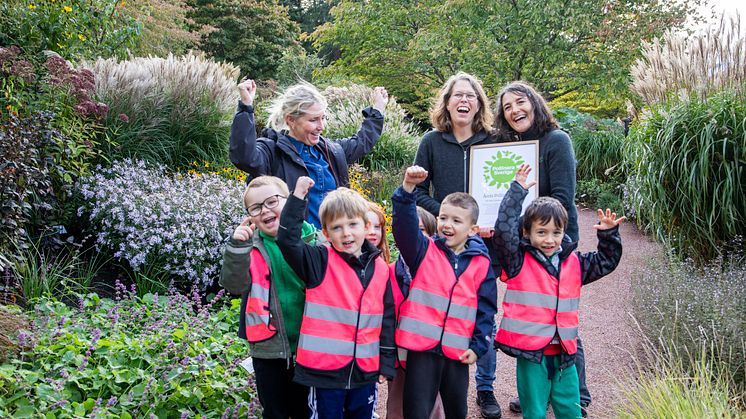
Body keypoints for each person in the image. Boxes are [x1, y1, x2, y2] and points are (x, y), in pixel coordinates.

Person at [492, 164, 624, 419]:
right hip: (532, 354)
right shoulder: (517, 260)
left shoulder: (575, 263)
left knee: (569, 407)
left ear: (564, 232)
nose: (549, 240)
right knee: (534, 409)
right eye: (541, 232)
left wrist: (608, 235)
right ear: (527, 233)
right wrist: (517, 192)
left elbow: (605, 262)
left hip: (565, 351)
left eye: (556, 232)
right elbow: (503, 233)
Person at [493, 81, 588, 415]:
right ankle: (538, 390)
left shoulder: (556, 141)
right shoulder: (515, 146)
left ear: (534, 103)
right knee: (536, 316)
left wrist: (539, 232)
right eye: (507, 107)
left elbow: (563, 196)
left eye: (520, 102)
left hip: (555, 239)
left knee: (563, 316)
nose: (515, 110)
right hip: (527, 241)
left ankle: (580, 393)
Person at [412, 71, 503, 419]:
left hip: (484, 245)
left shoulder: (493, 141)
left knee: (482, 313)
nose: (464, 101)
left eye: (471, 96)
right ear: (446, 103)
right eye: (457, 95)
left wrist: (486, 225)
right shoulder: (432, 142)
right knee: (446, 309)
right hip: (444, 245)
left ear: (479, 103)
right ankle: (438, 378)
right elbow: (419, 192)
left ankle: (486, 388)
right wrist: (450, 219)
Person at [277, 176, 396, 418]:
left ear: (366, 226)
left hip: (364, 370)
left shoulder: (382, 269)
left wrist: (385, 362)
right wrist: (298, 196)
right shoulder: (319, 260)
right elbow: (287, 241)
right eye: (337, 227)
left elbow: (387, 318)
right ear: (326, 233)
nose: (346, 233)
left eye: (352, 224)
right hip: (324, 373)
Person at [392, 165, 498, 419]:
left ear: (473, 229)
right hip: (422, 351)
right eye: (443, 218)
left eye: (456, 220)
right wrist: (407, 190)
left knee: (456, 411)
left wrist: (478, 346)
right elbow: (404, 230)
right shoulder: (424, 250)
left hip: (457, 353)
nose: (447, 225)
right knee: (416, 411)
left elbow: (486, 310)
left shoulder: (482, 264)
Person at [229, 78, 389, 228]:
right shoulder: (271, 151)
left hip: (332, 247)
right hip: (293, 248)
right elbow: (243, 157)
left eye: (323, 118)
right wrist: (245, 107)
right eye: (313, 120)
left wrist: (378, 110)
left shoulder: (330, 150)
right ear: (291, 120)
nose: (321, 126)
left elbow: (361, 142)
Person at [219, 176, 316, 419]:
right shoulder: (250, 248)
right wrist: (237, 248)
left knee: (308, 409)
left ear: (290, 202)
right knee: (275, 411)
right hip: (269, 350)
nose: (265, 210)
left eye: (273, 201)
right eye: (256, 207)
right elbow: (233, 285)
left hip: (310, 346)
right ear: (249, 216)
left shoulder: (314, 241)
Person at [386, 206, 445, 419]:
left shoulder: (441, 272)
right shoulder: (389, 271)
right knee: (397, 404)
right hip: (399, 353)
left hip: (431, 351)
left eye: (421, 230)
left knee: (434, 405)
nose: (414, 236)